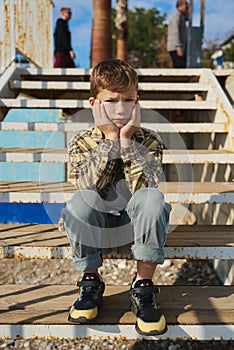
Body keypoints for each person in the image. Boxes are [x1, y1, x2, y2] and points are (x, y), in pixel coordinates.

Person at [58, 59, 171, 336]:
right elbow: (87, 188)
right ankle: (90, 280)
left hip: (135, 226)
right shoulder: (82, 142)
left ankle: (143, 286)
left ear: (137, 102)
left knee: (154, 200)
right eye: (111, 101)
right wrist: (110, 140)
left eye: (128, 100)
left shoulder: (150, 141)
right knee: (79, 203)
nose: (120, 109)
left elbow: (147, 189)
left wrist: (127, 142)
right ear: (94, 103)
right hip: (97, 224)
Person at [167, 0, 189, 68]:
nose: (187, 7)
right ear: (180, 6)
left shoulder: (181, 17)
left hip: (179, 47)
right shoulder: (177, 16)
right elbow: (175, 31)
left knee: (181, 66)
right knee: (180, 67)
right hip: (175, 47)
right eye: (186, 5)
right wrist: (178, 47)